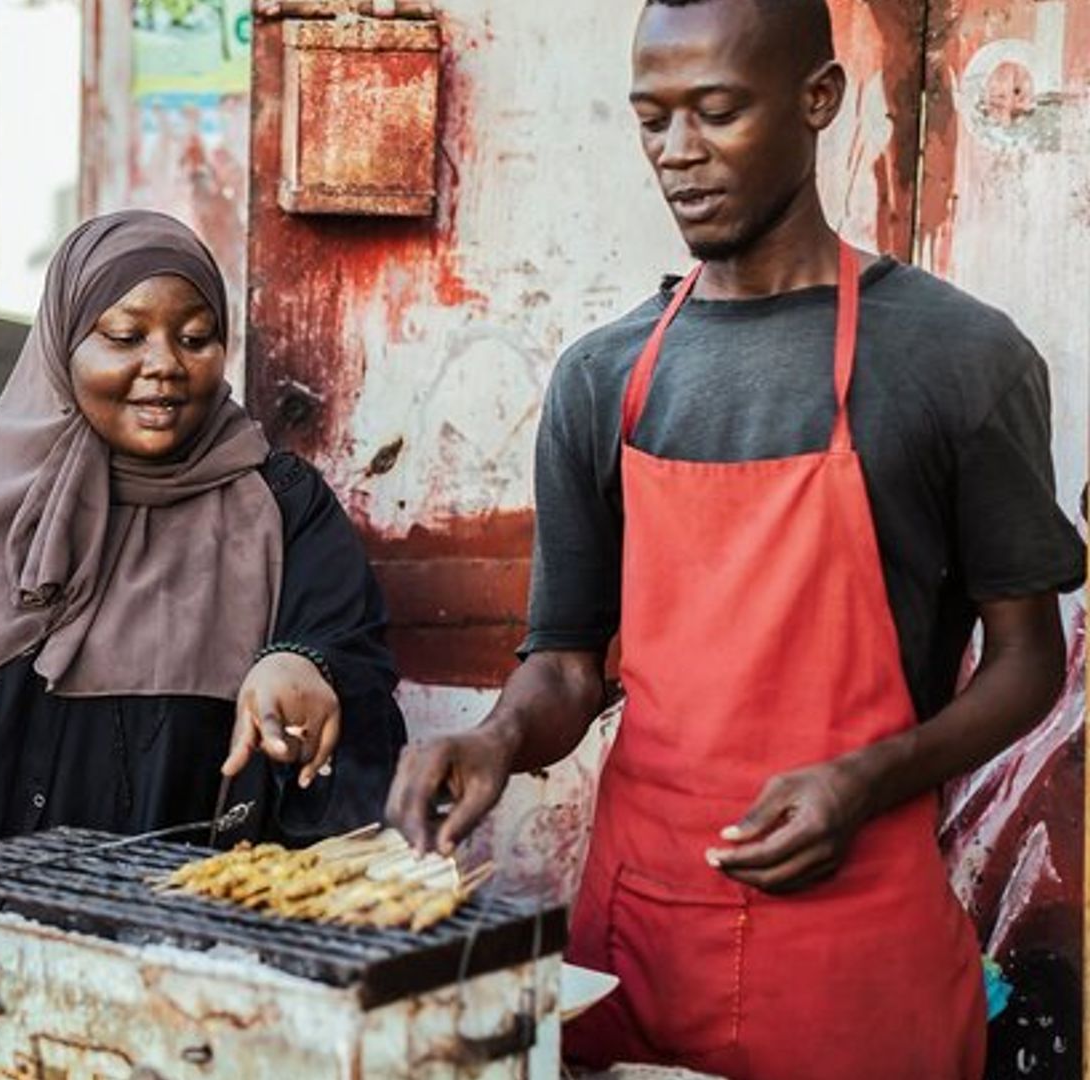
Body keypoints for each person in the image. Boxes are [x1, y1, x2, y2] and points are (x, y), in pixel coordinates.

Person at [384, 1, 1083, 1077]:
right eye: (653, 120)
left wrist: (865, 777)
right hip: (633, 941)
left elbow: (1030, 662)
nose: (677, 154)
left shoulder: (961, 360)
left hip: (852, 950)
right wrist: (496, 739)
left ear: (817, 102)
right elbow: (567, 668)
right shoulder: (600, 380)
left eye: (715, 113)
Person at [0, 209, 408, 1079]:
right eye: (124, 335)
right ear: (65, 337)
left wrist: (304, 667)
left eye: (196, 336)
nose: (164, 367)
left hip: (156, 995)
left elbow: (347, 665)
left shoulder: (279, 509)